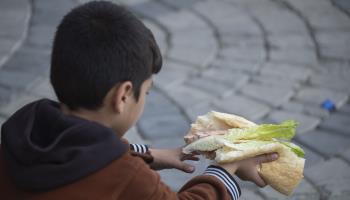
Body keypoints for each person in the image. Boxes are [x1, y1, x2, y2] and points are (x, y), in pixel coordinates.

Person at [0, 1, 278, 199]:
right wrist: (228, 167)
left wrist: (151, 154)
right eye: (146, 92)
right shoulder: (125, 176)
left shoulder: (22, 134)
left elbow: (80, 148)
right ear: (123, 96)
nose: (144, 98)